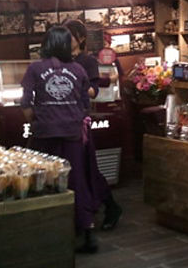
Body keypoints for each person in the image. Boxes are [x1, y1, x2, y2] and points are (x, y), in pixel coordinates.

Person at [20, 26, 99, 253]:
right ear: (66, 45)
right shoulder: (78, 69)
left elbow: (25, 102)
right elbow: (86, 103)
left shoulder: (35, 68)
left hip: (44, 134)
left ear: (46, 44)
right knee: (76, 181)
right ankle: (87, 232)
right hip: (72, 133)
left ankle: (48, 233)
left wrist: (36, 121)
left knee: (43, 180)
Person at [63, 19, 122, 231]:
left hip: (79, 122)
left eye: (69, 35)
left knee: (88, 169)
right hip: (63, 120)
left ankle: (110, 207)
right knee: (77, 170)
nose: (65, 39)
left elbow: (93, 91)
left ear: (80, 38)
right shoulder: (60, 59)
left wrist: (73, 82)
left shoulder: (86, 61)